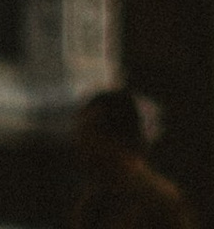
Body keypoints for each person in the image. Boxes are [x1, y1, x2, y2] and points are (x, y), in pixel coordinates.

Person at [72, 88, 194, 229]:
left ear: (117, 138)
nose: (80, 145)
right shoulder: (94, 201)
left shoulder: (159, 202)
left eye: (89, 134)